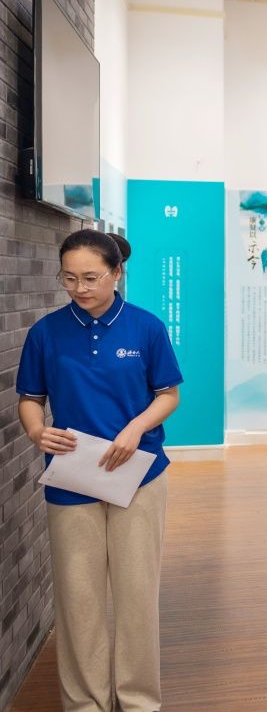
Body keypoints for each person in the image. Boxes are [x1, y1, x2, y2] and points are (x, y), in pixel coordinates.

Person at [16, 230, 182, 712]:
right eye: (69, 278)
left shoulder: (146, 327)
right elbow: (31, 398)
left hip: (139, 476)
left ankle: (138, 701)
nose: (80, 288)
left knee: (136, 597)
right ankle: (85, 703)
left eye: (91, 277)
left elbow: (168, 395)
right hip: (71, 478)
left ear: (116, 273)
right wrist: (36, 431)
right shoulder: (45, 333)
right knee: (78, 598)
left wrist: (135, 428)